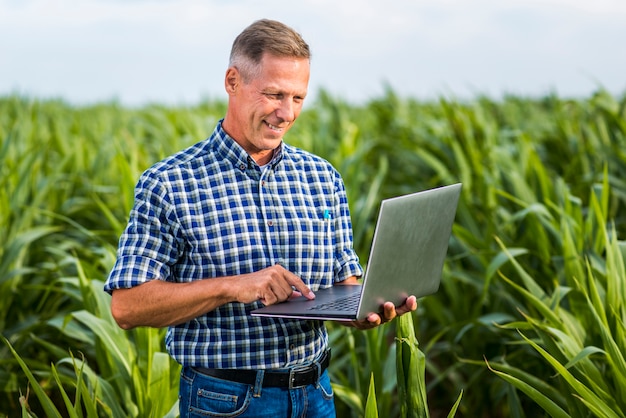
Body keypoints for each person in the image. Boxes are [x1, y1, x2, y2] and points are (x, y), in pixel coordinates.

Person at [104, 18, 417, 418]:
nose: (286, 113)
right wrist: (235, 287)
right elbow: (127, 307)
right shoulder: (169, 183)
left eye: (298, 98)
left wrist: (367, 305)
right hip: (225, 401)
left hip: (317, 395)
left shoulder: (322, 177)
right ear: (233, 81)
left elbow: (344, 282)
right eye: (274, 94)